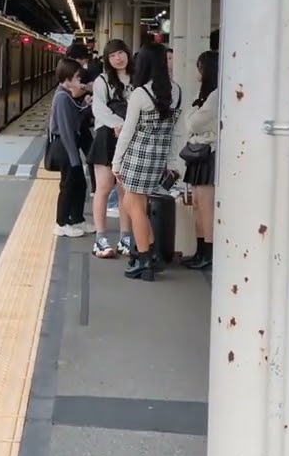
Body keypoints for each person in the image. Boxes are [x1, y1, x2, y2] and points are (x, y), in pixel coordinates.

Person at [111, 43, 180, 281]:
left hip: (138, 156)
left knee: (133, 206)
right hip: (158, 157)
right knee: (139, 206)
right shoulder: (176, 91)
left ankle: (144, 261)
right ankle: (150, 254)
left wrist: (116, 162)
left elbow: (128, 132)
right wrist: (170, 160)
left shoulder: (140, 93)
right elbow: (173, 130)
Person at [88, 39, 134, 258]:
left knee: (125, 190)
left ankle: (126, 238)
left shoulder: (138, 79)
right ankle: (101, 239)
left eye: (121, 53)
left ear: (128, 54)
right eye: (113, 55)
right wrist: (120, 124)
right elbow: (98, 109)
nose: (118, 58)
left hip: (130, 138)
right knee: (104, 188)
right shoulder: (102, 81)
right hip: (108, 136)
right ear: (107, 59)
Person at [179, 51, 219, 270]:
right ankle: (200, 251)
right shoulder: (206, 94)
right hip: (200, 154)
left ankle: (208, 253)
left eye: (199, 67)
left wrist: (190, 116)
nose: (197, 72)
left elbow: (194, 123)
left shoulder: (215, 96)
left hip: (208, 154)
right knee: (197, 204)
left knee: (205, 207)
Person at [50, 58, 89, 237]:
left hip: (68, 144)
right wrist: (74, 157)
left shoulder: (65, 95)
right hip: (65, 145)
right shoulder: (62, 98)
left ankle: (77, 218)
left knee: (79, 183)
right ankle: (61, 222)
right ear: (68, 77)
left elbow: (75, 119)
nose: (79, 80)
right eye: (77, 77)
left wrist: (85, 105)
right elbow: (66, 129)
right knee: (68, 184)